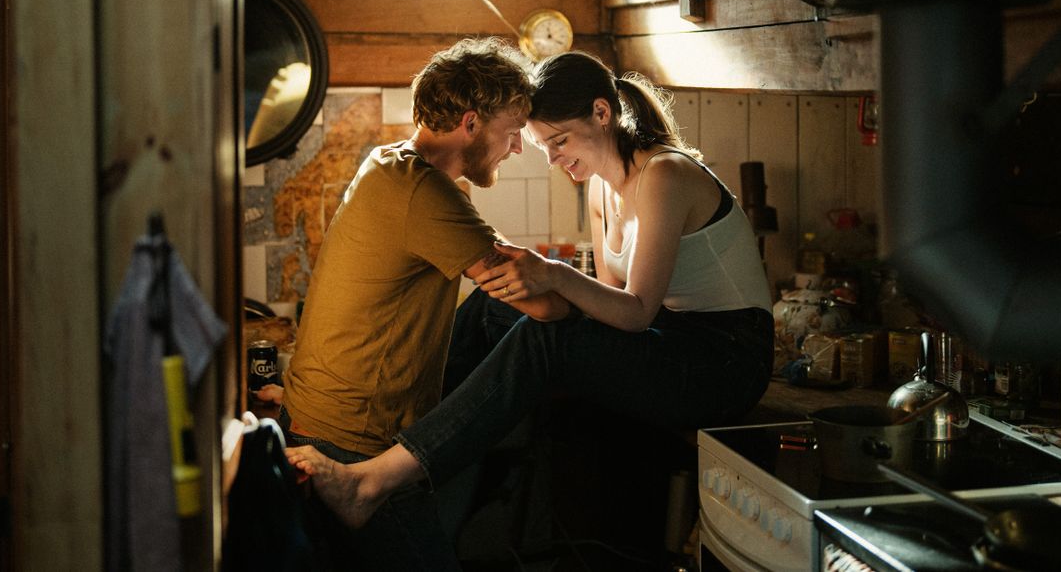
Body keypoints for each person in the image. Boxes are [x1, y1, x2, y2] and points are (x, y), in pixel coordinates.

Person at [285, 50, 774, 544]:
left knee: (544, 341)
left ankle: (376, 479)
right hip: (668, 340)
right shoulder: (601, 189)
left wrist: (552, 276)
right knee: (495, 307)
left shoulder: (665, 174)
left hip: (724, 361)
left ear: (602, 114)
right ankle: (409, 439)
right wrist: (537, 285)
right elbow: (607, 301)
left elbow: (634, 312)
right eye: (546, 147)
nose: (556, 159)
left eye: (559, 141)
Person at [278, 37, 570, 571]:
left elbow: (498, 271)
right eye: (512, 132)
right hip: (353, 440)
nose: (517, 148)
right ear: (471, 123)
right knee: (547, 332)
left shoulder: (392, 164)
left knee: (487, 311)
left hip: (323, 419)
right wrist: (613, 305)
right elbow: (546, 309)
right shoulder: (424, 192)